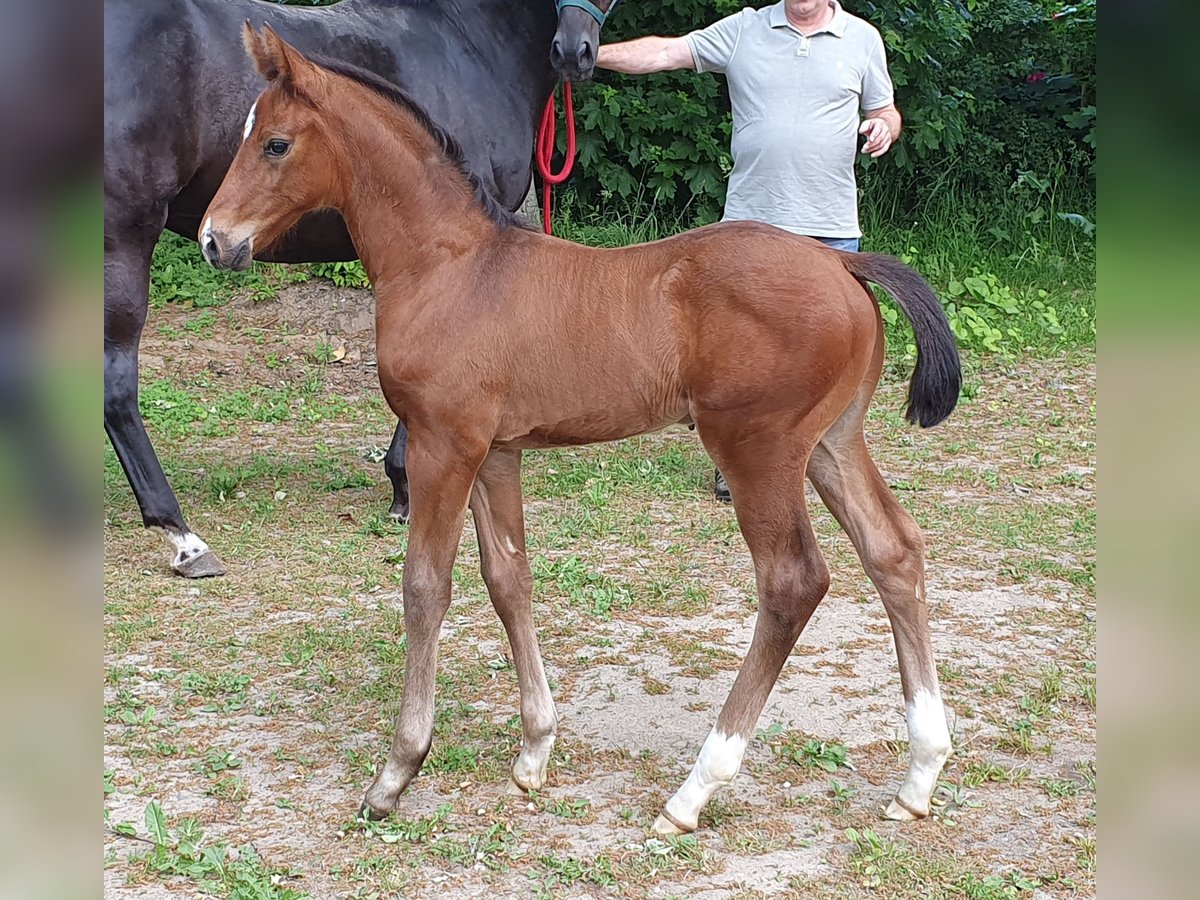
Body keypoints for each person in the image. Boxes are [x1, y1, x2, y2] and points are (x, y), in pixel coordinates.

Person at [596, 0, 901, 502]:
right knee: (738, 359)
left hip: (830, 228)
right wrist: (590, 56)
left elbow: (884, 108)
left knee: (828, 354)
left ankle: (817, 451)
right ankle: (736, 461)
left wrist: (885, 126)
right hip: (752, 229)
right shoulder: (745, 29)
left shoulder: (862, 38)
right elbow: (668, 52)